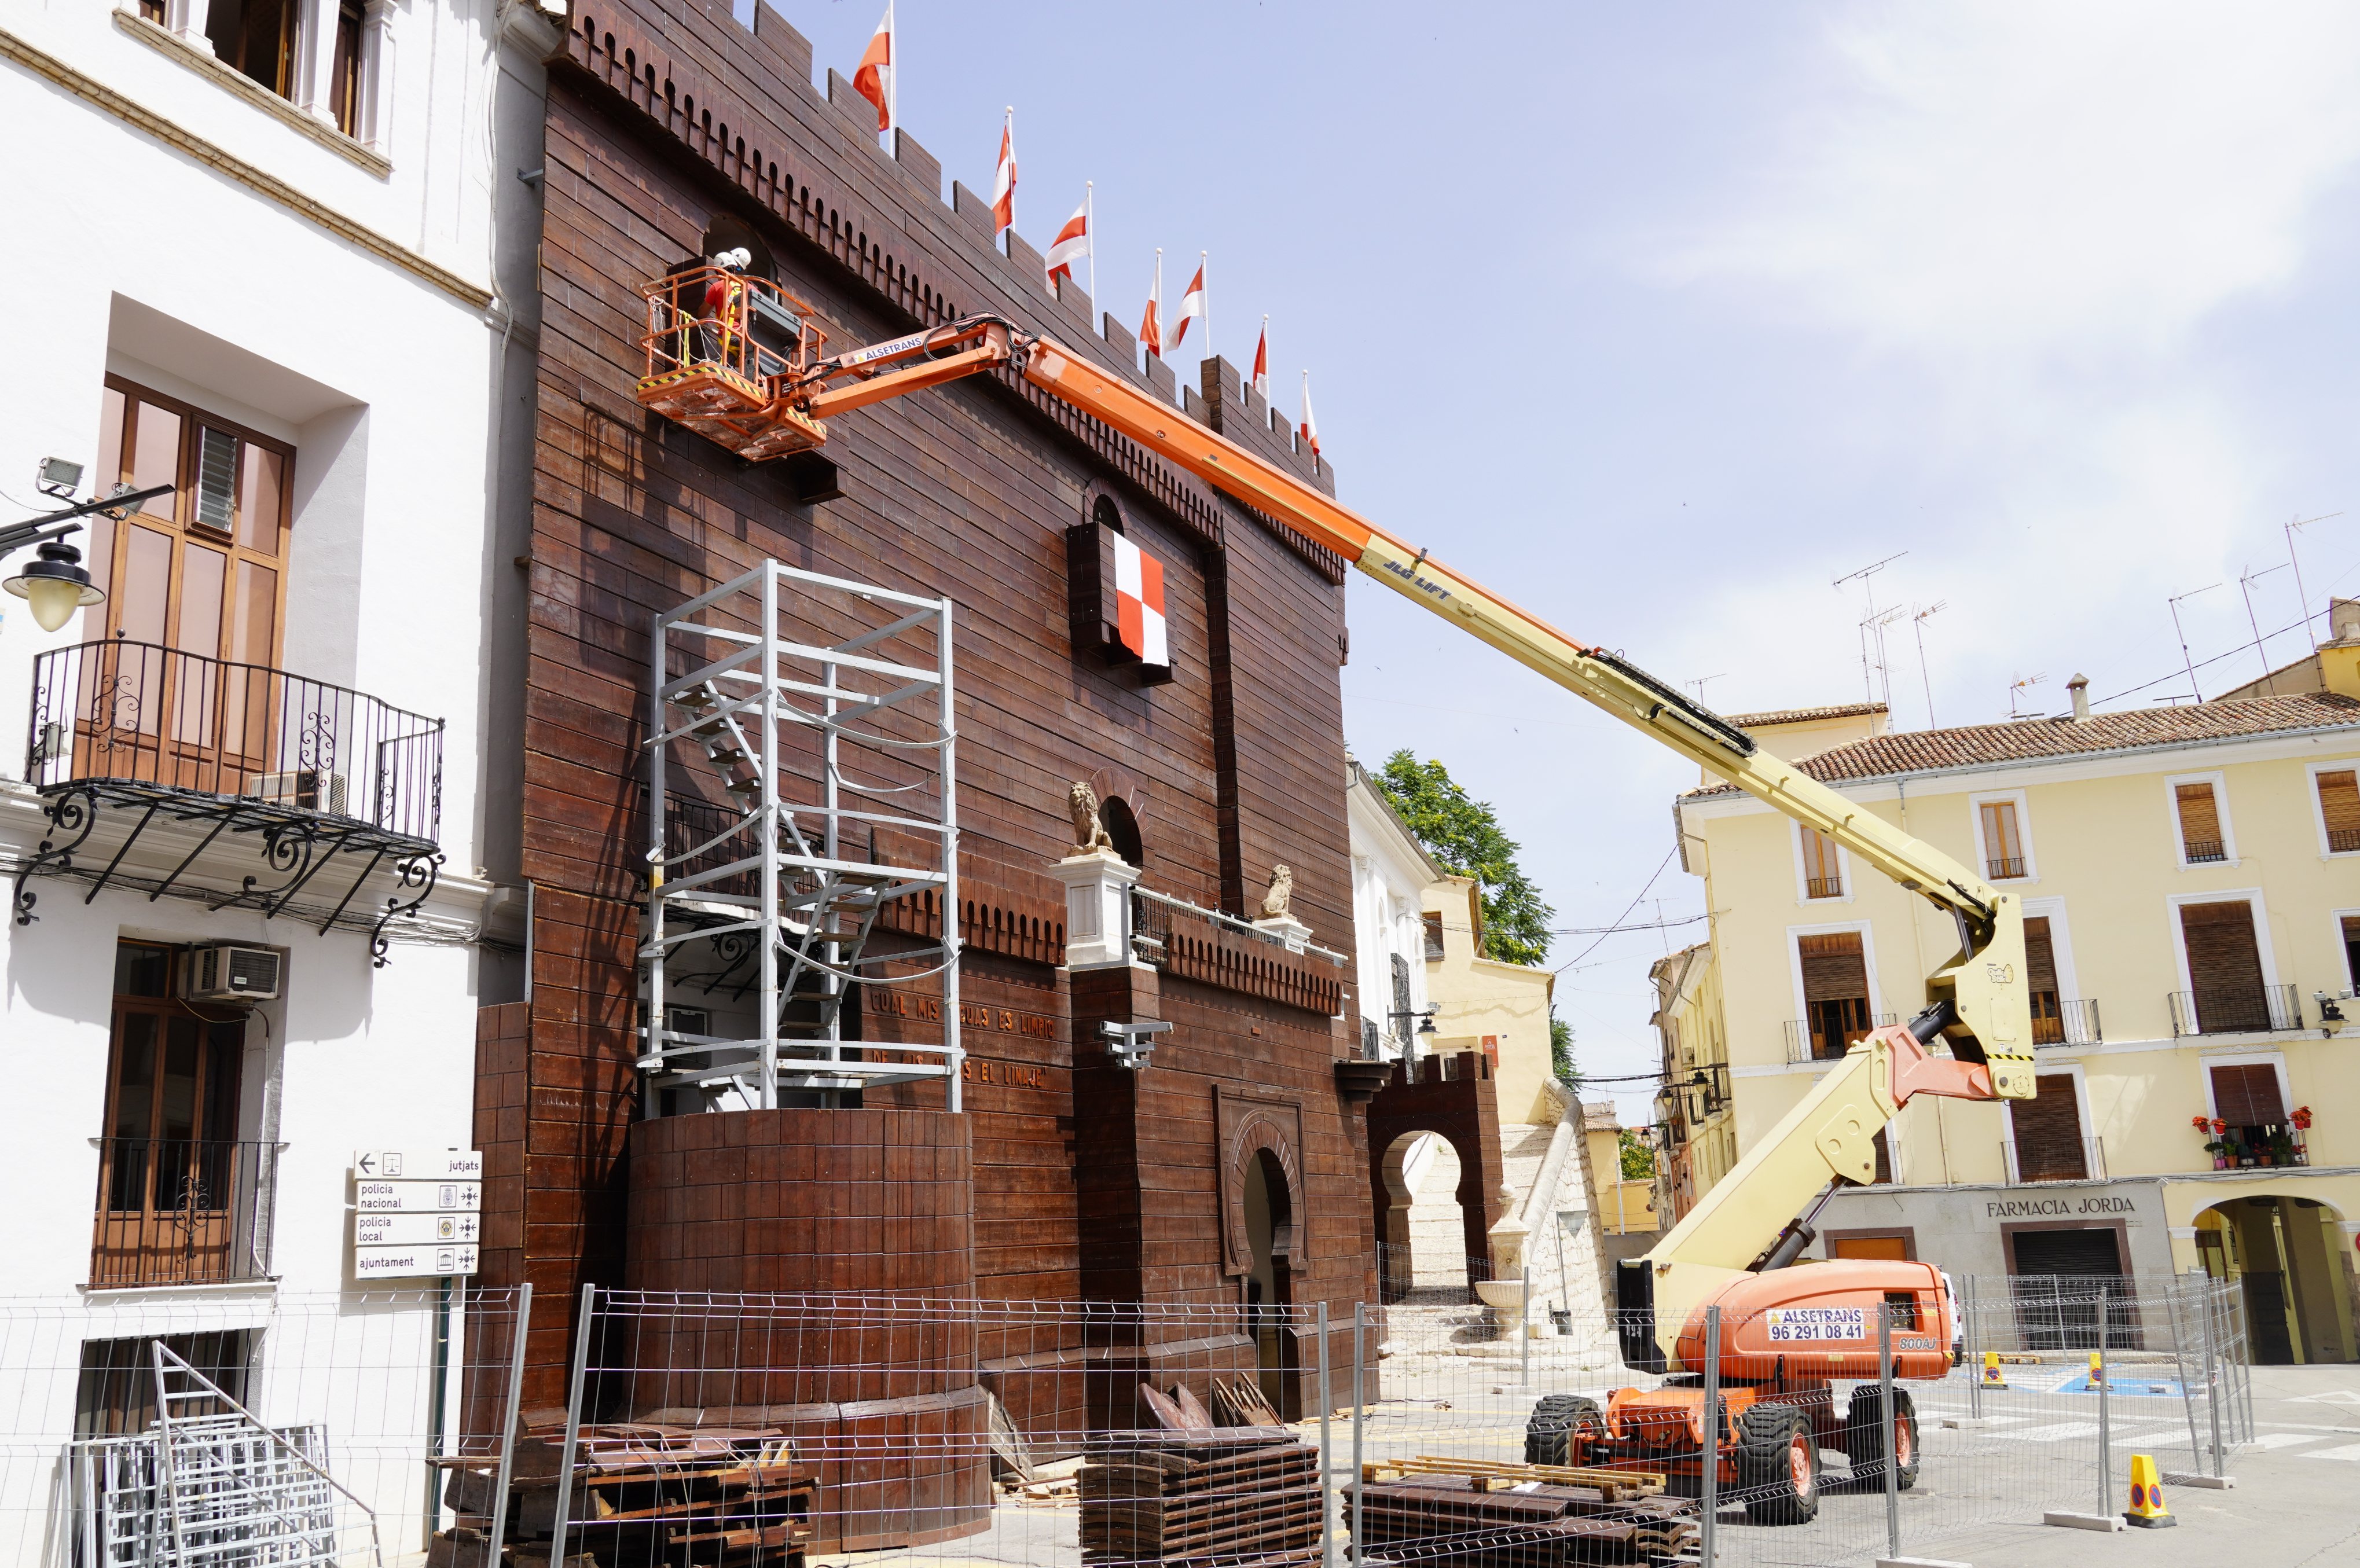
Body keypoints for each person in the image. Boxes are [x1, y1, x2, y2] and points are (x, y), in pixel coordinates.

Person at [695, 247, 753, 368]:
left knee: (720, 373)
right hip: (750, 338)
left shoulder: (718, 286)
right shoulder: (749, 288)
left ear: (718, 271)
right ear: (735, 270)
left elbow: (702, 315)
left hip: (730, 336)